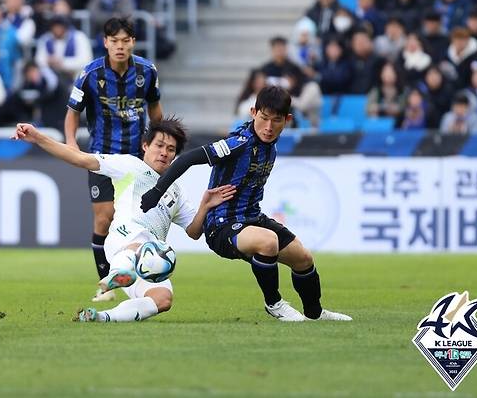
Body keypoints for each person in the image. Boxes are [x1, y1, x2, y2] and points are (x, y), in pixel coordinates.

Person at [140, 86, 352, 322]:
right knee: (268, 242)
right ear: (253, 112)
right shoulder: (237, 143)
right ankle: (274, 303)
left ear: (287, 120)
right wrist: (157, 191)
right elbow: (189, 158)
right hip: (221, 226)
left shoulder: (269, 144)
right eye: (263, 118)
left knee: (303, 258)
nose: (269, 127)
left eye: (276, 120)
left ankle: (315, 313)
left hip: (252, 218)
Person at [12, 118, 235, 322]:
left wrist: (205, 206)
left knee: (163, 299)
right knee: (142, 242)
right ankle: (118, 273)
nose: (164, 153)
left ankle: (101, 317)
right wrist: (38, 137)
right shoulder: (129, 165)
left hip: (147, 262)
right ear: (145, 146)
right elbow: (80, 158)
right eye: (159, 145)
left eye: (171, 149)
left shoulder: (176, 190)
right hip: (123, 241)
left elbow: (194, 232)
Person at [64, 17, 163, 302]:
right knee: (104, 220)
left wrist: (161, 144)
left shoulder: (147, 72)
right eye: (114, 41)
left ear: (133, 42)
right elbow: (72, 113)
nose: (119, 46)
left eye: (125, 40)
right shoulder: (90, 74)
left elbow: (156, 111)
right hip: (101, 157)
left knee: (138, 222)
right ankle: (105, 284)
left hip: (136, 159)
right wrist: (72, 145)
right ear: (105, 43)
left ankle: (141, 279)